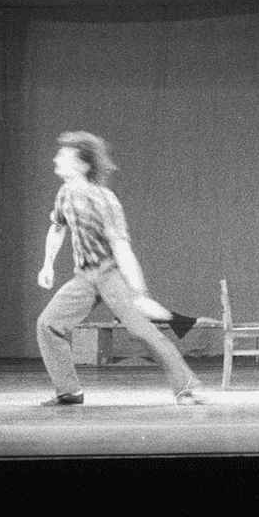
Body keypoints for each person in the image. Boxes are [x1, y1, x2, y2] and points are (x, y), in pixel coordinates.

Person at [36, 131, 208, 406]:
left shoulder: (103, 200)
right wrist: (48, 265)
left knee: (140, 329)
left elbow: (121, 247)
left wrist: (138, 292)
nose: (56, 159)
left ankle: (186, 387)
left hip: (110, 274)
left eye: (63, 155)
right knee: (48, 324)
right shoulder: (64, 194)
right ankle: (68, 391)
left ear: (82, 164)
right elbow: (57, 228)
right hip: (84, 277)